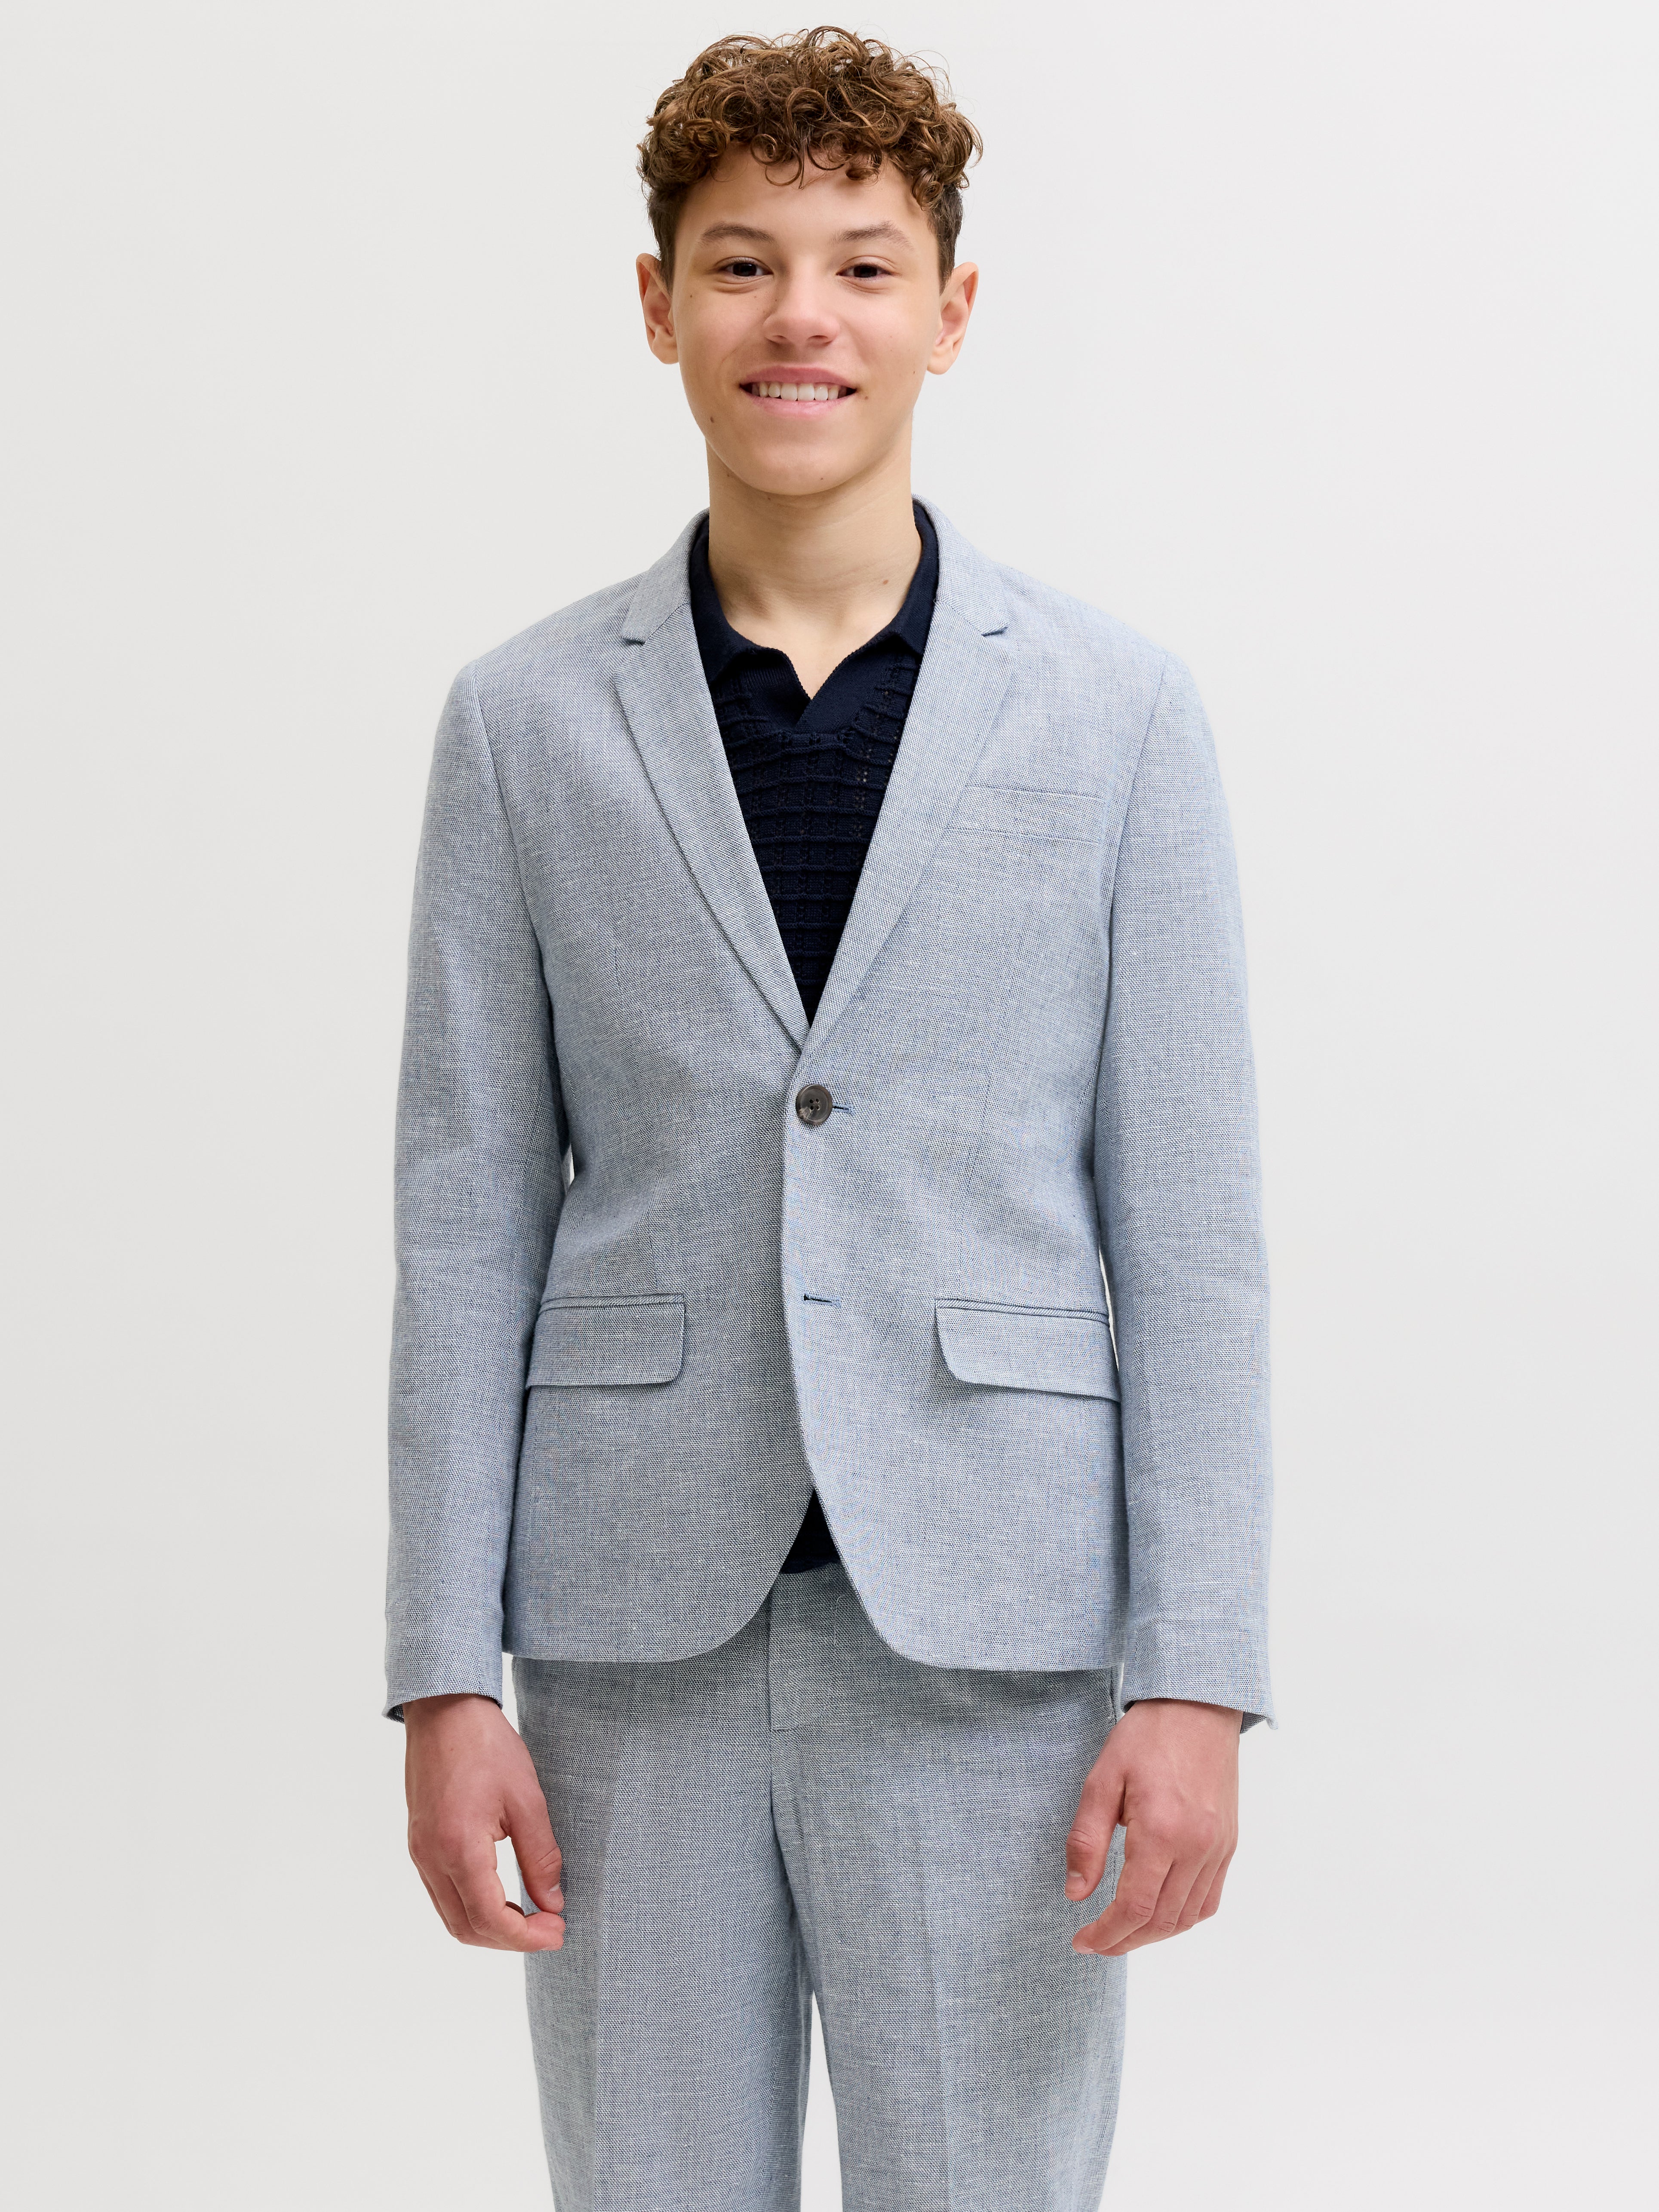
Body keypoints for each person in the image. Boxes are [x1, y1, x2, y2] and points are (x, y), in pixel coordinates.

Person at [386, 27, 1272, 2211]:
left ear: (947, 312)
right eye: (741, 262)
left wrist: (1199, 1677)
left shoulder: (1117, 717)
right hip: (631, 1639)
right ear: (657, 303)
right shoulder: (519, 724)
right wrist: (438, 1677)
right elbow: (466, 1218)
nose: (803, 316)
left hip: (994, 1637)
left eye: (863, 267)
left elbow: (1188, 1232)